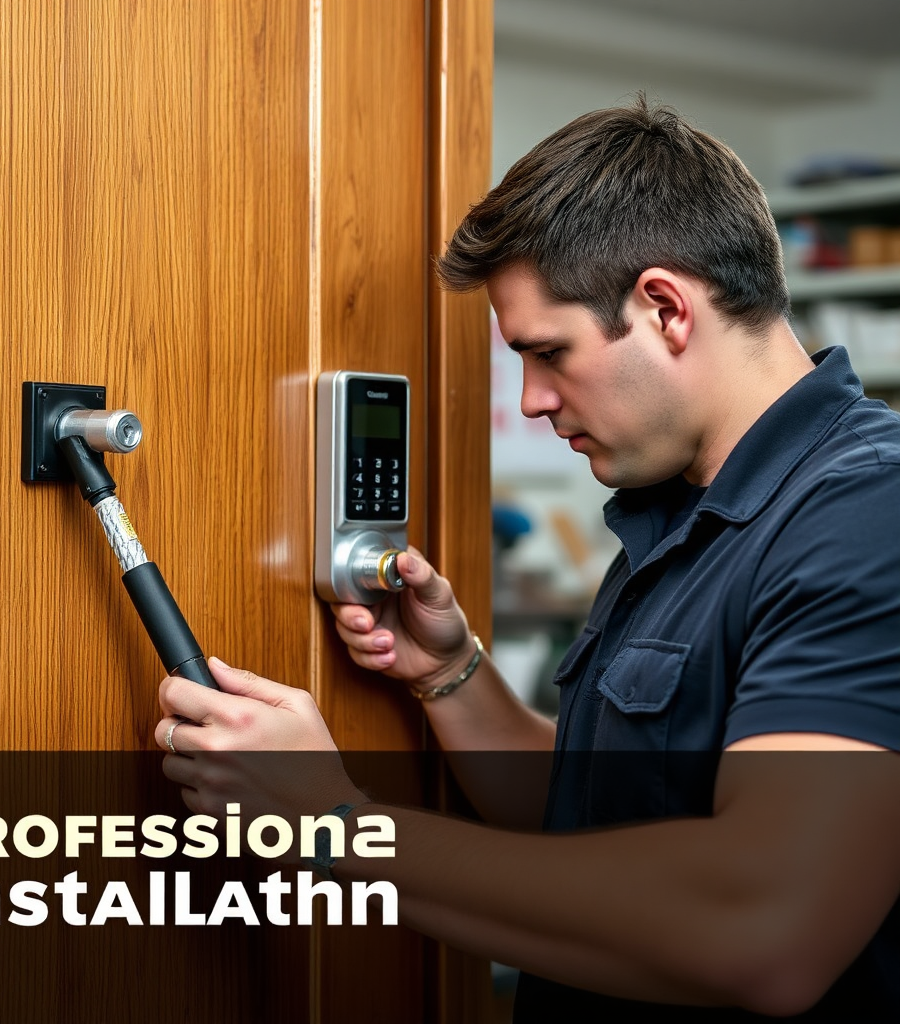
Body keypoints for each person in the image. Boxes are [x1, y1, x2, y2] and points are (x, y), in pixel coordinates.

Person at [156, 96, 900, 1019]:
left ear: (665, 307)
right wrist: (454, 677)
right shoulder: (682, 512)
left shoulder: (869, 510)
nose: (535, 400)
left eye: (548, 353)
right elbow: (605, 816)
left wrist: (331, 826)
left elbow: (767, 924)